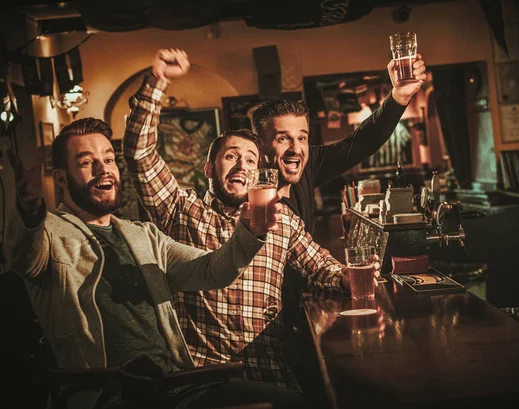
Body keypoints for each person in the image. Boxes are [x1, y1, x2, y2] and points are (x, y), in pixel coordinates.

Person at [123, 48, 379, 403]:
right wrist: (158, 81)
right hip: (205, 377)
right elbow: (139, 154)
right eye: (230, 156)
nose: (241, 166)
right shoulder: (181, 211)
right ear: (209, 169)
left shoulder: (280, 219)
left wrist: (348, 276)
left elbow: (321, 266)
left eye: (249, 159)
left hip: (271, 371)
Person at [2, 117, 308, 409]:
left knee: (297, 404)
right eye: (86, 162)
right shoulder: (50, 232)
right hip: (107, 394)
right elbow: (23, 253)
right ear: (60, 178)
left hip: (177, 385)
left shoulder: (142, 236)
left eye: (108, 159)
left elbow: (213, 269)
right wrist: (29, 212)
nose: (103, 169)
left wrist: (250, 231)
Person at [249, 52, 427, 393]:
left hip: (301, 314)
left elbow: (360, 143)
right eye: (283, 137)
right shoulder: (248, 196)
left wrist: (399, 97)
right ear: (260, 145)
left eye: (301, 137)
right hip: (264, 328)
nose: (295, 147)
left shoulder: (308, 167)